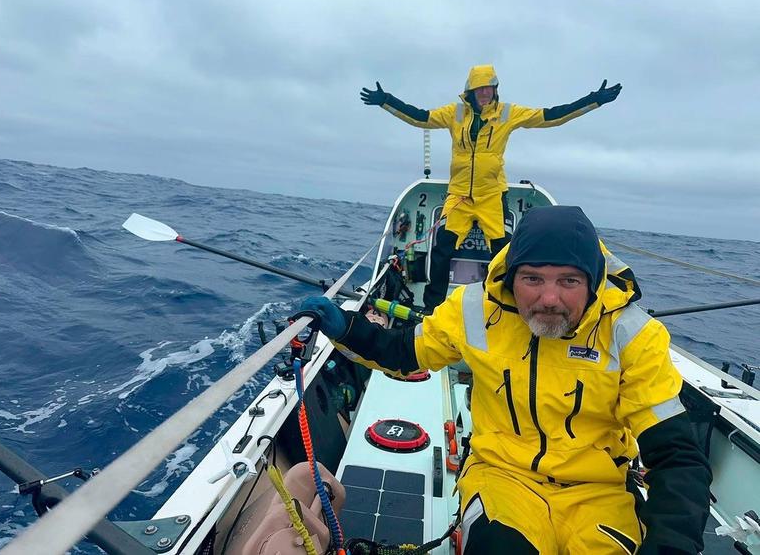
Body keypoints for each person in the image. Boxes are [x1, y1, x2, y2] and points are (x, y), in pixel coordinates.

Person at [299, 205, 711, 554]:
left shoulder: (632, 335)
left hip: (598, 493)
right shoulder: (474, 309)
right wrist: (347, 328)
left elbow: (676, 457)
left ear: (593, 281)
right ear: (510, 278)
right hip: (501, 479)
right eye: (532, 278)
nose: (549, 299)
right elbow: (405, 353)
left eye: (569, 281)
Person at [361, 66, 622, 312]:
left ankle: (503, 305)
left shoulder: (508, 113)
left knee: (503, 254)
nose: (486, 93)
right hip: (459, 196)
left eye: (490, 88)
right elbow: (420, 118)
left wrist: (593, 100)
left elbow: (551, 116)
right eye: (480, 88)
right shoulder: (455, 113)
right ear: (470, 91)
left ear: (496, 89)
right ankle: (432, 308)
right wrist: (387, 100)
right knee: (441, 251)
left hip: (491, 196)